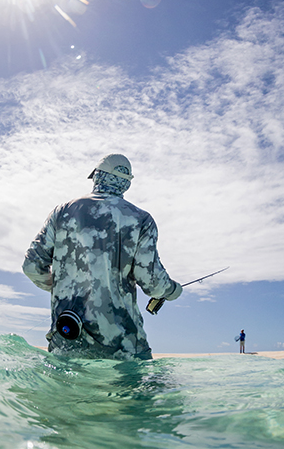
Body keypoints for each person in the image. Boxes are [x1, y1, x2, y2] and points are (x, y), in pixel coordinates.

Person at [22, 154, 182, 360]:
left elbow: (31, 266)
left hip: (68, 339)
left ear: (97, 176)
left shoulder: (61, 212)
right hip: (123, 347)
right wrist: (173, 290)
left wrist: (58, 287)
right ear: (126, 183)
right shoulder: (141, 220)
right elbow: (153, 283)